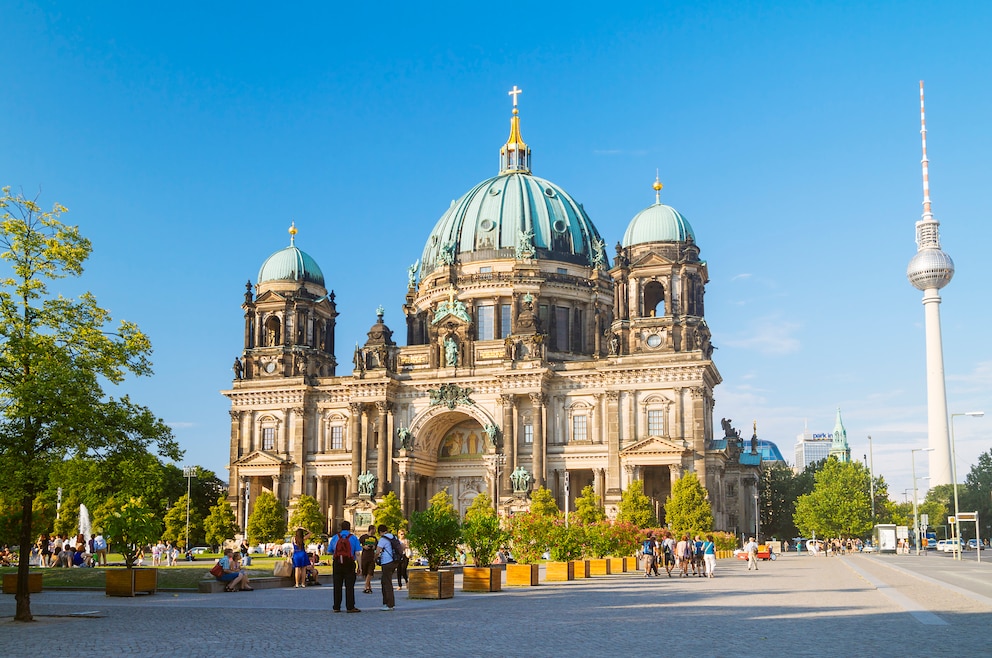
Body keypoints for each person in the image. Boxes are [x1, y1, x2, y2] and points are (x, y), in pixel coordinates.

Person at [328, 520, 362, 613]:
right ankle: (350, 607)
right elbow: (358, 553)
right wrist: (360, 567)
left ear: (341, 528)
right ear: (349, 527)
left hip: (338, 563)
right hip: (349, 563)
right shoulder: (353, 538)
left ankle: (336, 606)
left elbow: (329, 551)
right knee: (349, 586)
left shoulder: (335, 538)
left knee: (337, 585)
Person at [375, 524, 398, 611]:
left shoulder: (383, 539)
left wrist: (375, 558)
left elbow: (377, 551)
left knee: (386, 583)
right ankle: (388, 603)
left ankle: (389, 604)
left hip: (386, 562)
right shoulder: (393, 537)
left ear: (380, 532)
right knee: (385, 581)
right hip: (394, 562)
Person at [358, 525, 377, 594]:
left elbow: (377, 547)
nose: (375, 531)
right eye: (375, 529)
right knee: (365, 573)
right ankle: (369, 587)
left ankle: (366, 586)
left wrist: (374, 547)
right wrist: (363, 546)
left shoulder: (375, 538)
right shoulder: (363, 537)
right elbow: (357, 544)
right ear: (371, 529)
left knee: (370, 572)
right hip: (365, 556)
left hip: (372, 557)